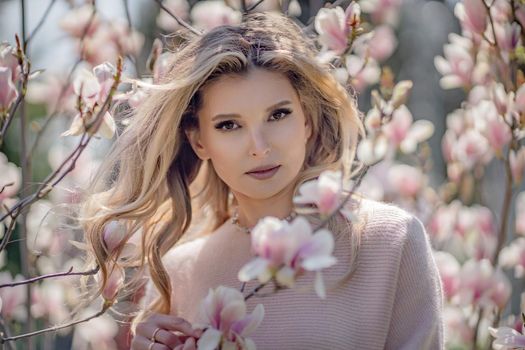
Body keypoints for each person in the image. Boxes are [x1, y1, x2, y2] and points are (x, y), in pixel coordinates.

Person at [80, 11, 444, 350]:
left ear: (307, 121)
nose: (259, 147)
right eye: (229, 125)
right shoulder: (182, 272)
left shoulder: (390, 241)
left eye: (278, 114)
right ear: (199, 141)